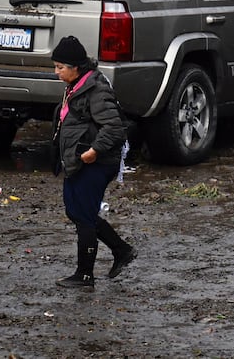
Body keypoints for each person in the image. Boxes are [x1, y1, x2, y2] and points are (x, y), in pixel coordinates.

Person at [50, 35, 137, 288]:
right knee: (75, 210)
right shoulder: (75, 86)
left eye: (60, 67)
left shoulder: (96, 89)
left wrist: (94, 151)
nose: (56, 72)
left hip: (96, 162)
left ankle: (85, 275)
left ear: (76, 67)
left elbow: (114, 127)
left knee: (84, 215)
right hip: (77, 161)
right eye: (55, 67)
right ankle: (121, 250)